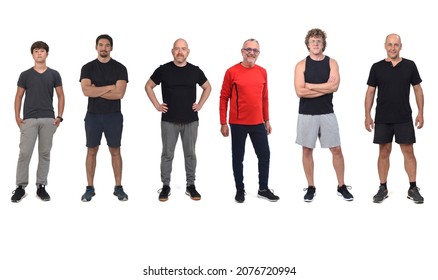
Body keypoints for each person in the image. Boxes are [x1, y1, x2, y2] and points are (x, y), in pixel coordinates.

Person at [145, 38, 211, 202]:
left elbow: (207, 87)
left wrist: (200, 104)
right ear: (172, 51)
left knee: (190, 154)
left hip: (190, 120)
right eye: (177, 49)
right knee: (167, 154)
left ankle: (191, 185)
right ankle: (165, 186)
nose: (180, 52)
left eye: (183, 49)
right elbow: (148, 86)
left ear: (188, 52)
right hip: (169, 120)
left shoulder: (195, 70)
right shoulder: (163, 70)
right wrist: (157, 106)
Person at [294, 28, 353, 202]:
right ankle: (311, 187)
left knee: (337, 149)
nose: (316, 44)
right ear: (308, 44)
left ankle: (341, 186)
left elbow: (334, 87)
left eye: (319, 41)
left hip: (327, 112)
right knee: (306, 150)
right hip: (306, 114)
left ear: (323, 44)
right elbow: (299, 91)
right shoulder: (301, 65)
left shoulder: (332, 63)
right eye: (313, 41)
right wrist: (324, 87)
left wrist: (310, 86)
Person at [364, 33, 424, 204]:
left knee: (409, 152)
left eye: (395, 45)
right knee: (384, 152)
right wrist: (367, 115)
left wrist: (421, 112)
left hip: (404, 117)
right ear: (385, 46)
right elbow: (370, 92)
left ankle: (413, 188)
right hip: (382, 118)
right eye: (389, 44)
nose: (392, 48)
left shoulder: (410, 65)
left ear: (401, 46)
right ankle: (383, 188)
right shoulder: (376, 67)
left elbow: (418, 90)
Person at [220, 38, 279, 203]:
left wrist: (267, 120)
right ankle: (240, 190)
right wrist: (223, 122)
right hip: (238, 123)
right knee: (238, 157)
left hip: (258, 122)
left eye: (255, 50)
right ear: (242, 51)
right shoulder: (231, 72)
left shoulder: (263, 72)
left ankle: (263, 188)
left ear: (258, 54)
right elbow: (224, 98)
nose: (251, 52)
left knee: (265, 155)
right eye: (248, 49)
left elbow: (264, 98)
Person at [11, 41, 65, 203]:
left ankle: (41, 186)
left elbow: (61, 95)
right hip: (29, 119)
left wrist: (60, 116)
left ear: (47, 54)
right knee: (25, 153)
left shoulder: (54, 74)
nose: (39, 53)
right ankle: (20, 187)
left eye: (42, 51)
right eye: (36, 51)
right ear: (32, 54)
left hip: (49, 119)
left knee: (44, 153)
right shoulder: (25, 75)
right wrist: (17, 116)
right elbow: (18, 96)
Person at [79, 34, 129, 202]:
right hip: (92, 115)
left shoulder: (120, 68)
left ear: (111, 48)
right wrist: (109, 87)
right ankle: (90, 188)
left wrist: (97, 90)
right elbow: (86, 91)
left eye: (107, 45)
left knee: (115, 150)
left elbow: (119, 94)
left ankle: (118, 187)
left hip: (113, 116)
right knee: (91, 150)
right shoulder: (87, 68)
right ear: (96, 47)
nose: (104, 48)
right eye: (100, 45)